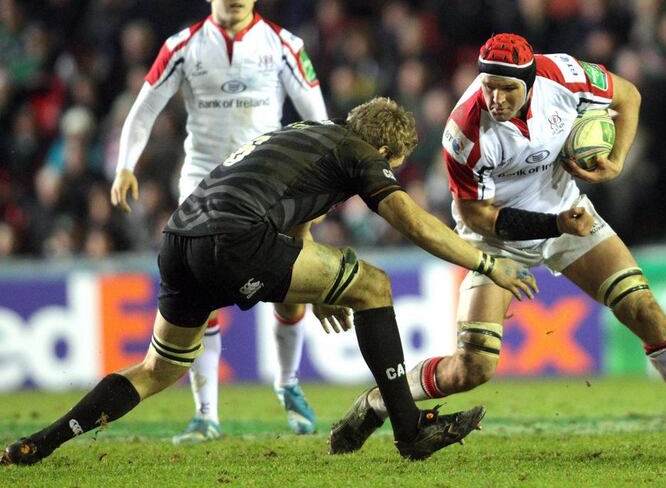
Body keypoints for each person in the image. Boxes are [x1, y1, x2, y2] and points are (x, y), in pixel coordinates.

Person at [2, 98, 539, 465]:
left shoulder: (301, 136)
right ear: (385, 153)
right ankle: (410, 432)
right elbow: (414, 222)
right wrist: (487, 264)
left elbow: (295, 216)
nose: (389, 171)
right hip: (234, 240)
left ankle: (39, 445)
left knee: (157, 368)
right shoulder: (356, 154)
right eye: (392, 165)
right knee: (375, 284)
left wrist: (318, 281)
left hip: (179, 240)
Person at [329, 33, 666, 455]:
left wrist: (617, 162)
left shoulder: (565, 76)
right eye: (488, 86)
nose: (495, 97)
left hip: (568, 213)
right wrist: (554, 223)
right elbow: (478, 214)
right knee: (473, 368)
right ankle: (379, 400)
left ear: (530, 82)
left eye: (507, 89)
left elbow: (628, 96)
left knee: (643, 309)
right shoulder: (464, 131)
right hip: (496, 240)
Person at [109, 0, 328, 443]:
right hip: (203, 186)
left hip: (270, 184)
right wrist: (126, 166)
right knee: (201, 296)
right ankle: (206, 415)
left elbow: (316, 117)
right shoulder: (183, 46)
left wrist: (320, 180)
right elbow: (144, 110)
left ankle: (288, 383)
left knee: (293, 290)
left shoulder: (284, 44)